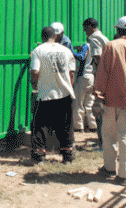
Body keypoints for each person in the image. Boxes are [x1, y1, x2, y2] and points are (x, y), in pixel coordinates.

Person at [30, 26, 76, 164]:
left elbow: (35, 71)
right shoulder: (66, 51)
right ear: (55, 36)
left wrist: (34, 84)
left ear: (42, 37)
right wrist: (68, 87)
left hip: (46, 95)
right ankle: (67, 156)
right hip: (64, 94)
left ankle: (39, 156)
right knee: (66, 126)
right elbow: (71, 73)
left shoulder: (38, 51)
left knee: (40, 126)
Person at [94, 16, 126, 184]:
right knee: (125, 136)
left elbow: (103, 72)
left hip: (112, 99)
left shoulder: (112, 46)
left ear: (118, 29)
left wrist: (98, 95)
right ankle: (123, 175)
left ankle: (109, 168)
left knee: (109, 135)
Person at [83, 18, 109, 148]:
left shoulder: (94, 38)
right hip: (109, 77)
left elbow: (97, 58)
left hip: (101, 78)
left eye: (85, 28)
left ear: (91, 27)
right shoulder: (104, 37)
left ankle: (103, 143)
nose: (84, 31)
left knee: (98, 110)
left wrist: (98, 82)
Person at [71, 40, 97, 132]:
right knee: (89, 104)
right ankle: (93, 126)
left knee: (78, 103)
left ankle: (79, 127)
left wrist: (71, 51)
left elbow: (81, 57)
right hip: (92, 76)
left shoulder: (87, 45)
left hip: (83, 76)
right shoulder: (96, 46)